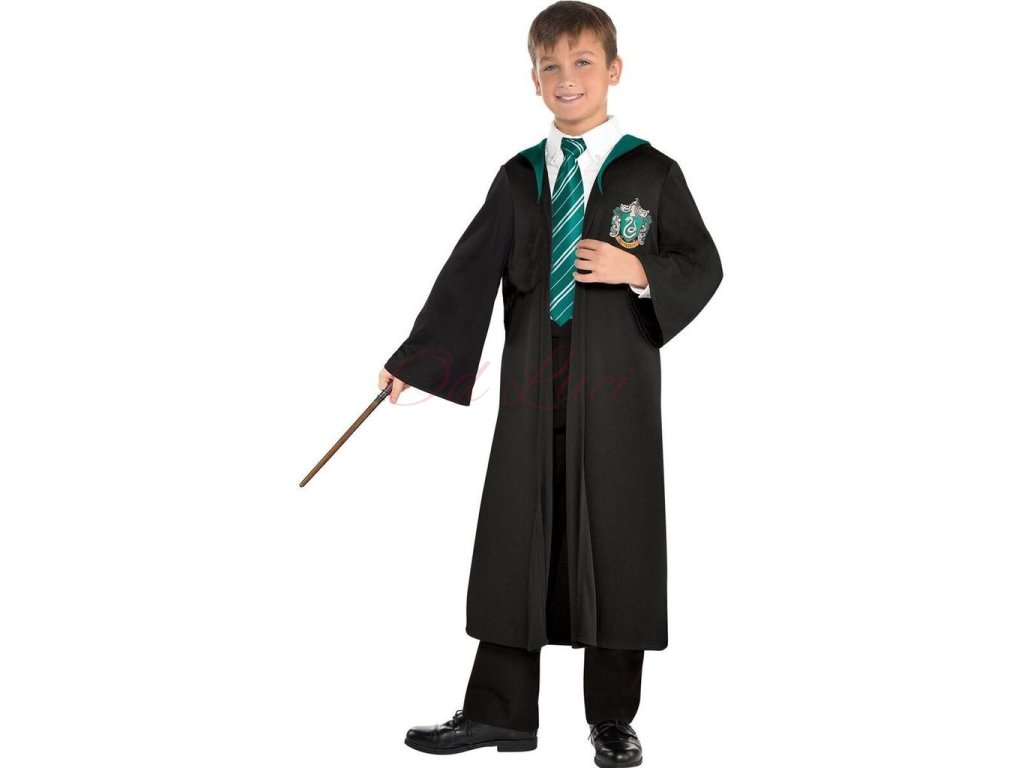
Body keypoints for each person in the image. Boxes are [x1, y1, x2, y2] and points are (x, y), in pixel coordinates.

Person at [379, 2, 723, 765]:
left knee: (617, 532)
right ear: (533, 79)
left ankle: (612, 719)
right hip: (535, 385)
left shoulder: (650, 173)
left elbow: (702, 263)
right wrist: (418, 358)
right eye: (551, 66)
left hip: (618, 384)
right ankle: (500, 713)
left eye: (583, 62)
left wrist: (638, 268)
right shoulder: (519, 177)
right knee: (517, 532)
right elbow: (470, 271)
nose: (568, 78)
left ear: (614, 70)